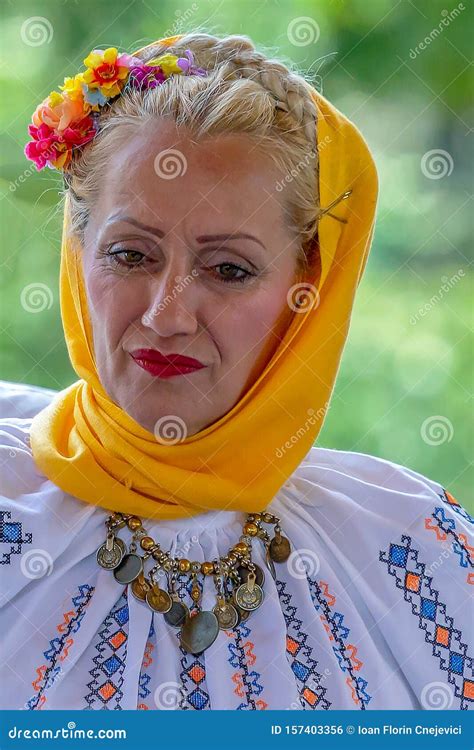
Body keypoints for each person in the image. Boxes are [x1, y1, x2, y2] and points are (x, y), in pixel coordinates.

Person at [0, 31, 472, 712]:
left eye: (228, 269)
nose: (168, 315)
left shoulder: (408, 543)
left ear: (307, 289)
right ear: (78, 253)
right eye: (131, 255)